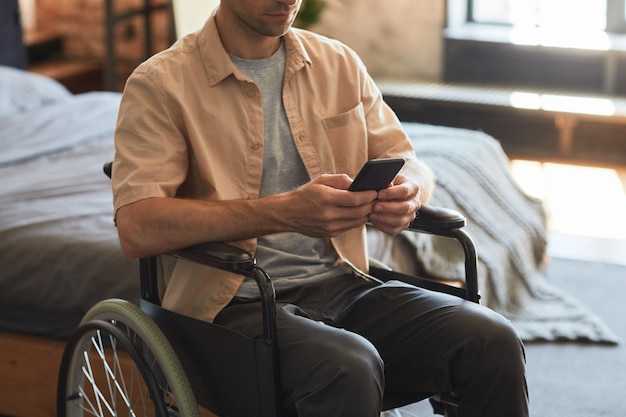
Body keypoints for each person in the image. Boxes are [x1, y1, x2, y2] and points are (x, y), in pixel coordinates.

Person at [111, 0, 529, 416]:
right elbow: (137, 226)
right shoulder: (160, 83)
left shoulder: (337, 63)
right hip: (232, 308)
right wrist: (282, 211)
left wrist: (410, 192)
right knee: (346, 367)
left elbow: (406, 158)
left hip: (346, 285)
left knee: (491, 338)